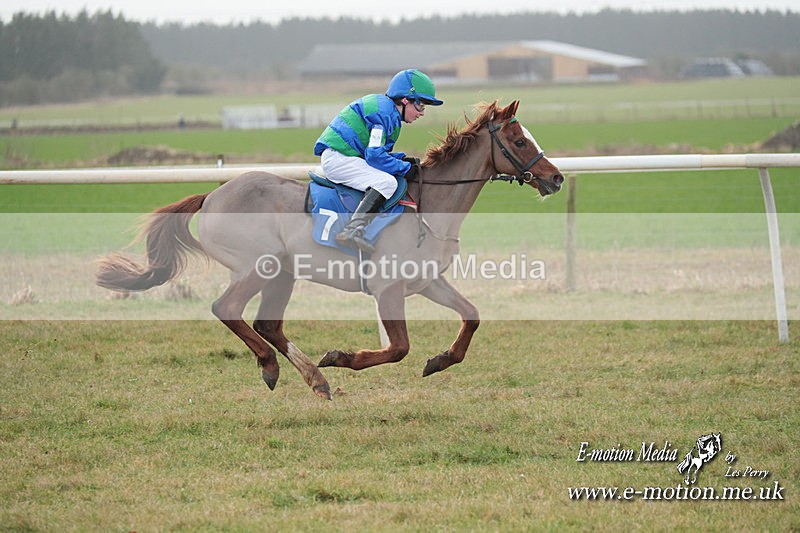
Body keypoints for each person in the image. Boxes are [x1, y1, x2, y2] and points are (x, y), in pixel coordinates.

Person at [314, 69, 443, 252]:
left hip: (346, 156)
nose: (422, 113)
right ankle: (352, 230)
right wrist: (405, 168)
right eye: (421, 105)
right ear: (405, 100)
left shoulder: (388, 111)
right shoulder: (384, 113)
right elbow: (374, 156)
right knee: (387, 182)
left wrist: (402, 160)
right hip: (339, 159)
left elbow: (378, 152)